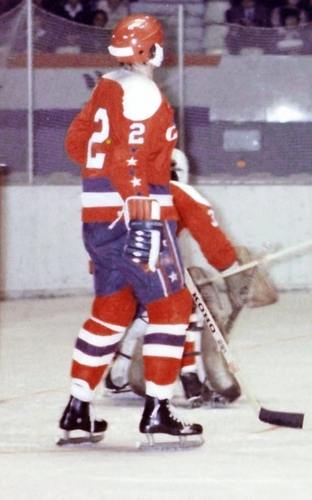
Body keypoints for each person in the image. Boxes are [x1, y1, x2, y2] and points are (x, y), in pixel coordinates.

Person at [58, 14, 203, 448]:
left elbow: (76, 144)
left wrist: (153, 158)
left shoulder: (107, 85)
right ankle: (158, 411)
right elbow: (127, 160)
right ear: (152, 50)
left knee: (112, 309)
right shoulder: (143, 90)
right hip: (134, 213)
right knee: (173, 308)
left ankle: (77, 408)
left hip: (99, 213)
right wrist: (142, 213)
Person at [104, 148, 245, 408]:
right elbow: (212, 241)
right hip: (153, 271)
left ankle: (120, 368)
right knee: (188, 299)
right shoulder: (180, 192)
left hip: (115, 272)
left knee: (148, 310)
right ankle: (192, 374)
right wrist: (233, 272)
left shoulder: (120, 191)